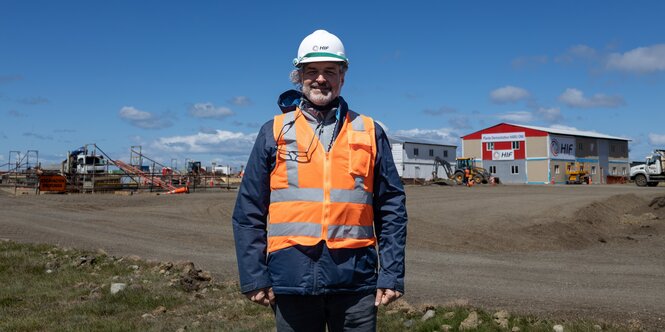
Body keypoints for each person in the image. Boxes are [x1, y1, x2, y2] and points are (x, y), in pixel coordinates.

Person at [231, 29, 408, 332]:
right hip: (291, 280)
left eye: (330, 71)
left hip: (356, 284)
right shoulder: (273, 132)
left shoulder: (369, 131)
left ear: (343, 76)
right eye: (312, 71)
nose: (321, 79)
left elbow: (392, 209)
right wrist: (254, 276)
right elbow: (248, 212)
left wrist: (391, 273)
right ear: (298, 76)